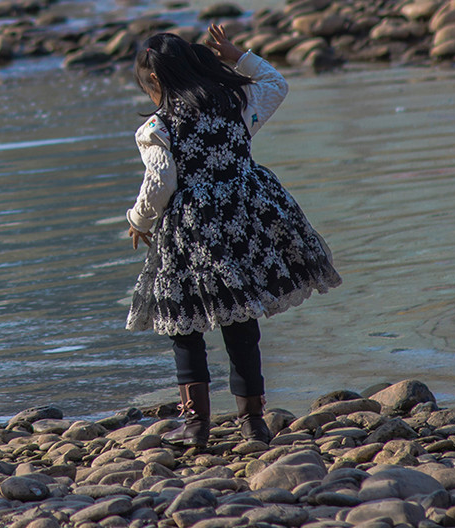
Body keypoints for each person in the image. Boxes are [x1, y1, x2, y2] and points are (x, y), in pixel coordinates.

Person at [123, 24, 341, 448]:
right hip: (245, 219)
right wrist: (238, 56)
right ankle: (252, 422)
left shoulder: (157, 127)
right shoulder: (235, 103)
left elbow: (162, 181)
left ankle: (196, 426)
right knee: (242, 321)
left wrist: (139, 220)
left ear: (154, 81)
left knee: (184, 328)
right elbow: (276, 83)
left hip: (192, 232)